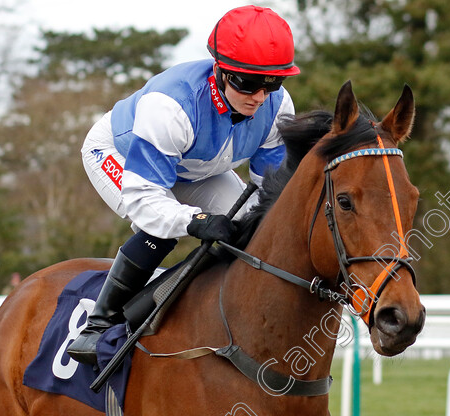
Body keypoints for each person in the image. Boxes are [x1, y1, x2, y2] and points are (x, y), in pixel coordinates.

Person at [67, 5, 300, 365]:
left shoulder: (278, 107)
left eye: (273, 83)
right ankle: (98, 327)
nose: (259, 96)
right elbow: (146, 200)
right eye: (247, 83)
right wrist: (195, 221)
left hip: (195, 167)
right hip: (120, 155)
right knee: (160, 229)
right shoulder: (171, 106)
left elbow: (269, 195)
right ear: (220, 70)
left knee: (251, 228)